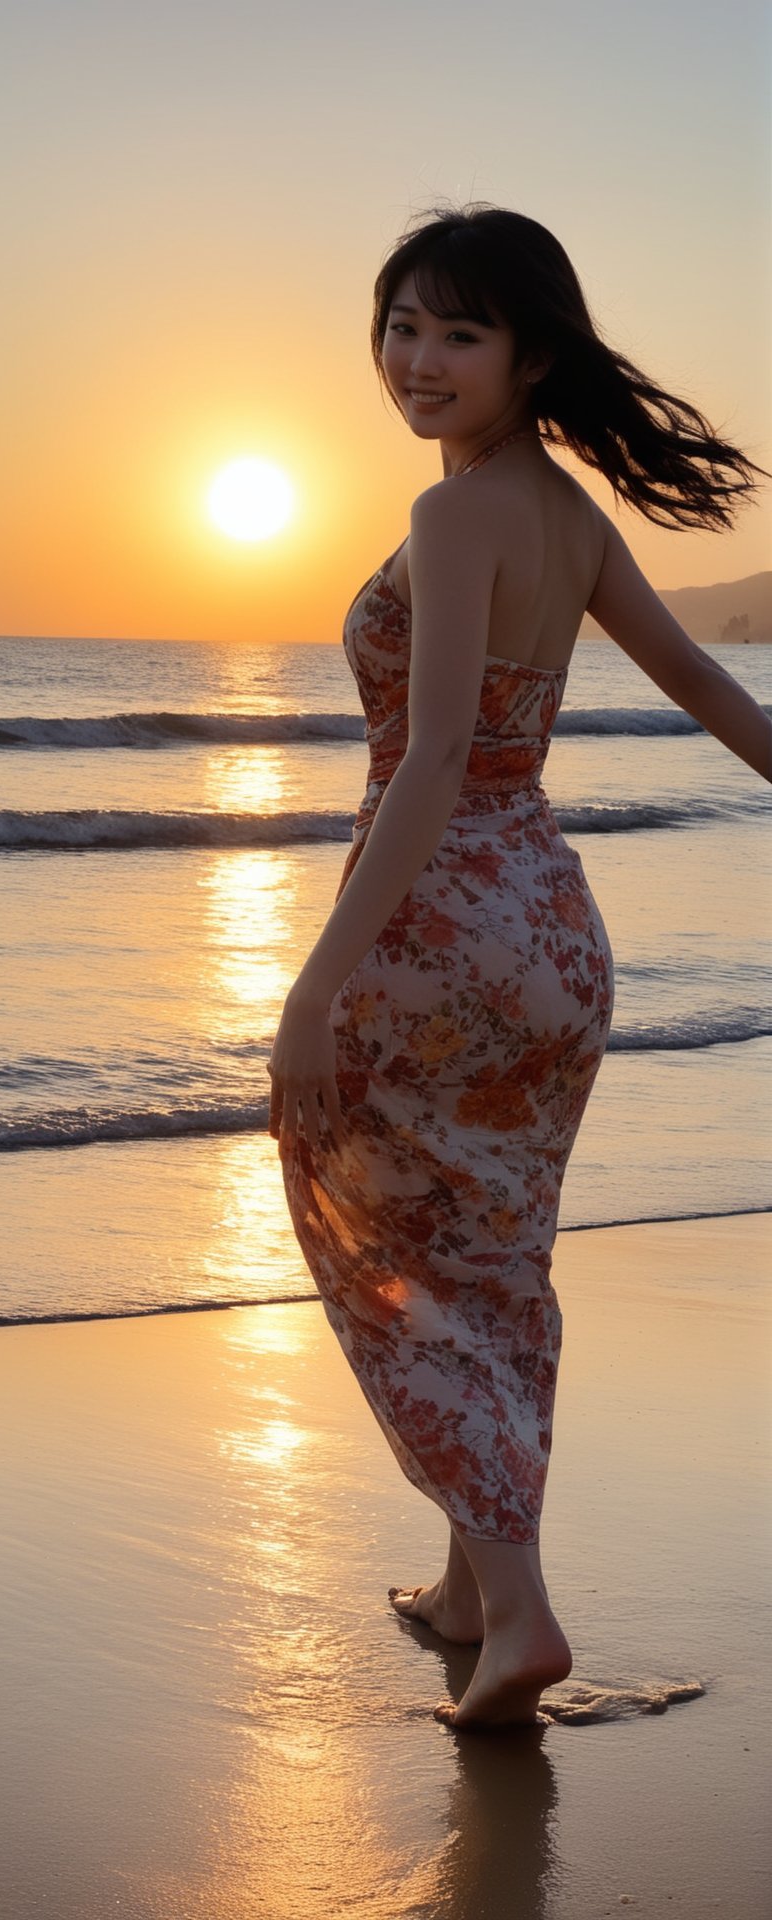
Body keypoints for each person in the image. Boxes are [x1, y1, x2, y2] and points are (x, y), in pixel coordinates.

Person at [266, 201, 772, 1732]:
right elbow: (698, 680)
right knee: (489, 1255)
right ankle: (471, 1588)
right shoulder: (563, 512)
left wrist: (309, 991)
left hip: (435, 926)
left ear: (528, 353)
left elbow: (423, 771)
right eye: (400, 325)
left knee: (377, 1244)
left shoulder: (454, 515)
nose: (417, 359)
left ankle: (526, 1609)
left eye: (457, 333)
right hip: (552, 936)